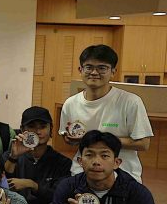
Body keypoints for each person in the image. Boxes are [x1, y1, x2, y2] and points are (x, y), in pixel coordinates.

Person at [59, 44, 153, 183]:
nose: (94, 72)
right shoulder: (70, 104)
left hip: (123, 176)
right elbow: (68, 140)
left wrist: (100, 141)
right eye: (89, 67)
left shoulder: (130, 102)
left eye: (102, 68)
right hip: (83, 173)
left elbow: (143, 143)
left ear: (113, 72)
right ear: (80, 70)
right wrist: (71, 139)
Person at [4, 106, 72, 204]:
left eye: (43, 127)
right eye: (31, 127)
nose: (38, 132)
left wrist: (33, 185)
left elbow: (60, 197)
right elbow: (2, 184)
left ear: (51, 129)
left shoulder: (63, 162)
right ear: (22, 129)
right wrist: (13, 157)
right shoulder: (10, 156)